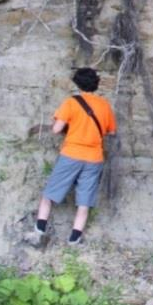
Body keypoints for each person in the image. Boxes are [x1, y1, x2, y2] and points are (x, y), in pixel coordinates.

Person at [26, 67, 117, 248]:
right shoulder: (104, 105)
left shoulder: (71, 103)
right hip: (94, 158)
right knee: (84, 202)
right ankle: (74, 240)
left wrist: (73, 129)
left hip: (71, 154)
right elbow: (111, 131)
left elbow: (56, 129)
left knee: (49, 195)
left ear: (77, 83)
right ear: (96, 84)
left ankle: (39, 232)